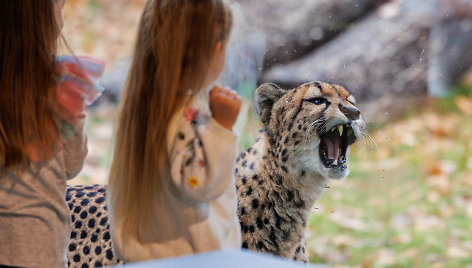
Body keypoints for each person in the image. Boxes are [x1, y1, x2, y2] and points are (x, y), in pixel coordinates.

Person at [107, 0, 242, 262]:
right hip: (190, 260)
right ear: (216, 51)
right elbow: (197, 184)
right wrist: (221, 128)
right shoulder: (186, 117)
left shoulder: (141, 109)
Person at [0, 0, 105, 267]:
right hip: (42, 251)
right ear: (41, 21)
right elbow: (72, 165)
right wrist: (75, 114)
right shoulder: (61, 86)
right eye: (60, 5)